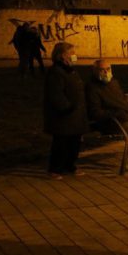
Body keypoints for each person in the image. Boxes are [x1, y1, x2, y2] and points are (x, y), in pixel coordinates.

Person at [43, 42, 89, 180]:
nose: (75, 55)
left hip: (75, 115)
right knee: (61, 143)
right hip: (63, 116)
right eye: (72, 52)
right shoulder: (56, 72)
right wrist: (66, 108)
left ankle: (69, 166)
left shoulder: (70, 70)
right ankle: (55, 169)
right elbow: (55, 94)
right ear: (63, 55)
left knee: (74, 143)